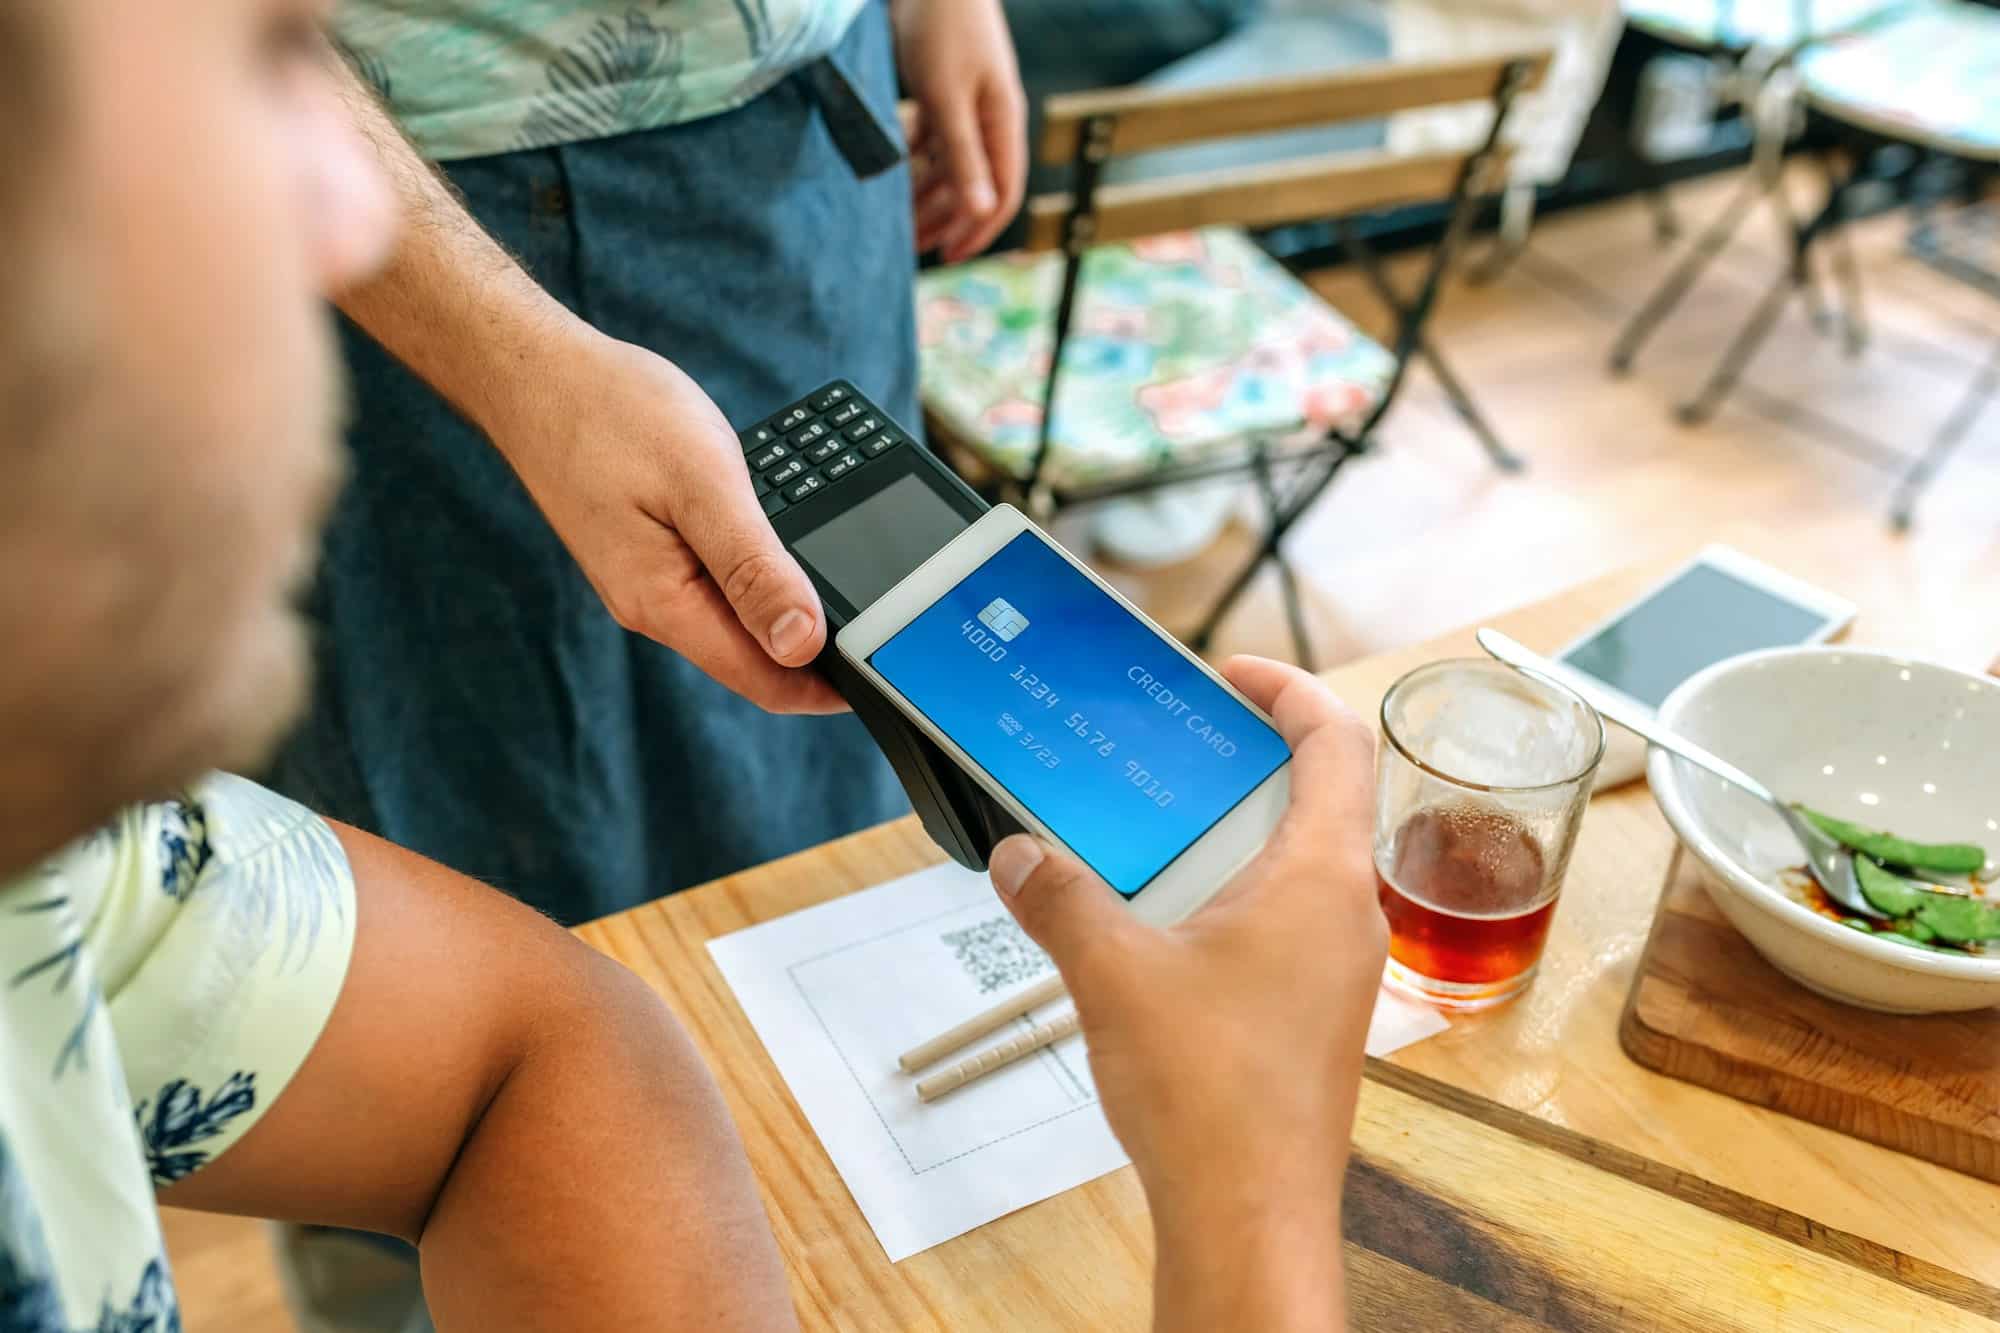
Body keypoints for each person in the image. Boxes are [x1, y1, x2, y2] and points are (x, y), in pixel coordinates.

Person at [0, 1, 1387, 1329]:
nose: (343, 220)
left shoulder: (91, 895)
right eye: (258, 63)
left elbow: (529, 1054)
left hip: (805, 139)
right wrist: (1251, 1191)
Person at [273, 0, 1028, 929]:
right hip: (417, 192)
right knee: (496, 838)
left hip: (822, 127)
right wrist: (517, 362)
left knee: (834, 829)